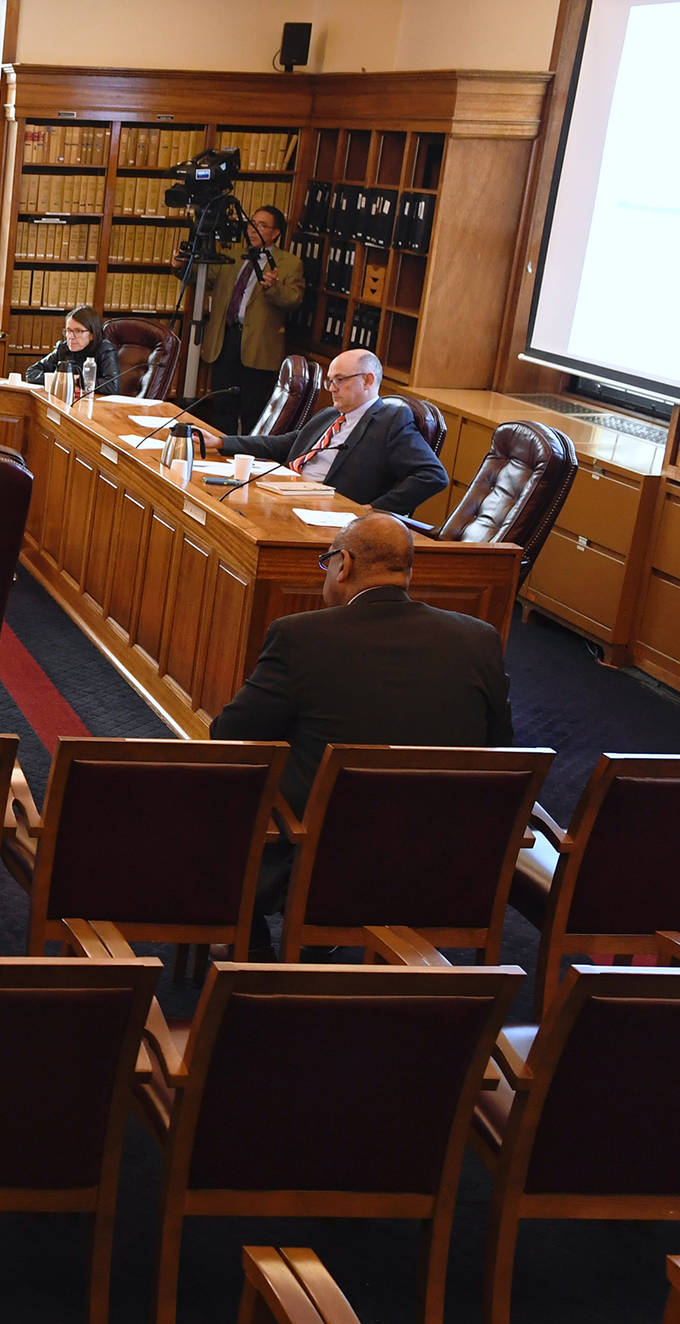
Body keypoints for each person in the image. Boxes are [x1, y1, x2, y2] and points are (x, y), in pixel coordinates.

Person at [212, 513, 513, 950]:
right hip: (445, 862)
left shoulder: (300, 637)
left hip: (320, 862)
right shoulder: (480, 638)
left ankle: (250, 955)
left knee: (224, 790)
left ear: (344, 563)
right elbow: (500, 750)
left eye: (326, 562)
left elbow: (230, 737)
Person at [218, 349, 446, 515]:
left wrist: (373, 509)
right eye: (330, 381)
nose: (332, 388)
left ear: (368, 380)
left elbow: (433, 475)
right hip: (282, 495)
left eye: (340, 380)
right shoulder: (330, 415)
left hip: (322, 514)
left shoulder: (391, 421)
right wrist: (221, 442)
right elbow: (287, 444)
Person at [182, 204, 304, 435]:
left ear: (275, 233)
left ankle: (245, 459)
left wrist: (274, 288)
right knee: (222, 405)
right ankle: (217, 451)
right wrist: (183, 268)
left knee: (253, 409)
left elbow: (294, 299)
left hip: (258, 346)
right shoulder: (233, 257)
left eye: (262, 225)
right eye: (251, 224)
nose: (253, 230)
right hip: (225, 338)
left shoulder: (289, 263)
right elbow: (207, 281)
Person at [22, 306, 121, 395]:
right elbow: (31, 372)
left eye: (78, 331)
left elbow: (113, 386)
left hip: (95, 405)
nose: (71, 337)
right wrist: (62, 380)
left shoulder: (104, 348)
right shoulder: (63, 348)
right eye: (69, 331)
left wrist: (78, 381)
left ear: (92, 334)